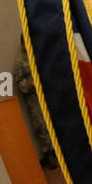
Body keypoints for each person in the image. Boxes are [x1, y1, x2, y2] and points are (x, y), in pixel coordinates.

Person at [12, 35, 56, 168]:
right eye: (26, 43)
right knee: (41, 127)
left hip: (47, 95)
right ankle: (49, 154)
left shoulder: (38, 55)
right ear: (22, 44)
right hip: (34, 100)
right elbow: (19, 82)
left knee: (54, 121)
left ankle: (60, 149)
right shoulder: (20, 62)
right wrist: (31, 84)